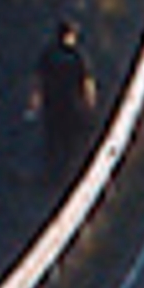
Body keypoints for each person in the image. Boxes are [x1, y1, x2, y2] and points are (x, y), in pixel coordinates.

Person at [36, 14, 101, 172]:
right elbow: (86, 80)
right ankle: (67, 167)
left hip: (52, 102)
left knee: (53, 137)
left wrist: (36, 99)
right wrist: (90, 101)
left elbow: (38, 78)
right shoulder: (76, 56)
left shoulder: (49, 54)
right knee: (69, 138)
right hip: (70, 103)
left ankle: (53, 169)